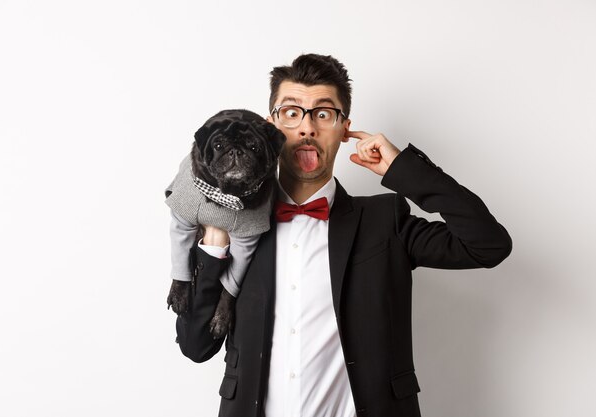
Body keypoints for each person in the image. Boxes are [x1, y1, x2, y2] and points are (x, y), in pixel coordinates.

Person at [173, 53, 512, 417]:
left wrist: (402, 169)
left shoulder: (385, 222)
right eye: (291, 113)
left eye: (323, 114)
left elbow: (488, 245)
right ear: (270, 126)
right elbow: (196, 346)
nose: (307, 129)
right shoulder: (232, 222)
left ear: (344, 128)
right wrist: (213, 246)